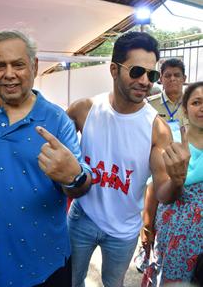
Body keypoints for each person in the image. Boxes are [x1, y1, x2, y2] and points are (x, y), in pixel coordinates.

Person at [67, 31, 190, 287]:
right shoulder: (84, 110)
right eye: (136, 71)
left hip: (123, 232)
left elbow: (163, 193)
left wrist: (177, 180)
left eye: (152, 75)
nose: (145, 81)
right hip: (82, 219)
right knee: (69, 281)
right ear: (114, 69)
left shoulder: (158, 129)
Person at [0, 30, 92, 287]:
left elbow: (80, 184)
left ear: (34, 66)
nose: (9, 73)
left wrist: (75, 176)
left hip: (45, 266)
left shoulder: (58, 121)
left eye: (18, 65)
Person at [142, 81, 203, 286]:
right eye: (196, 102)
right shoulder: (171, 143)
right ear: (185, 109)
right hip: (176, 235)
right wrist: (147, 226)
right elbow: (155, 190)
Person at [137, 58, 189, 270]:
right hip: (157, 163)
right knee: (150, 206)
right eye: (167, 75)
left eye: (177, 75)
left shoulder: (193, 103)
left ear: (184, 79)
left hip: (186, 162)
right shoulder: (151, 104)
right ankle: (145, 248)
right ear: (161, 78)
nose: (172, 79)